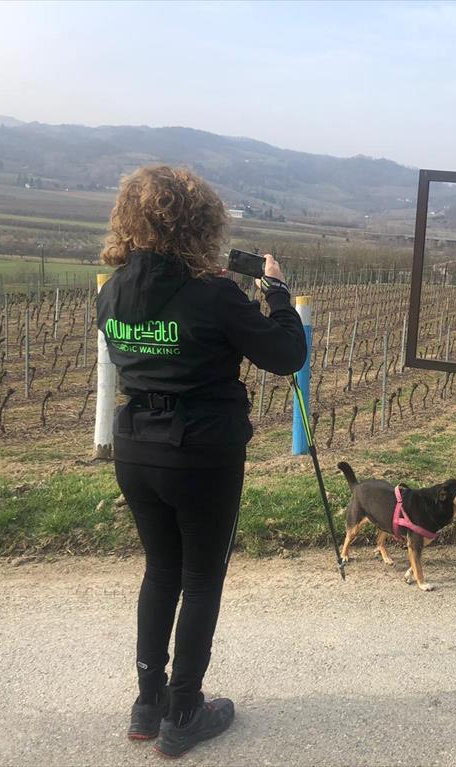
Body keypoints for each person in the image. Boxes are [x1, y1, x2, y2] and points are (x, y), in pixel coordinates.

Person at [96, 166, 307, 755]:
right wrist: (277, 294)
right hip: (201, 453)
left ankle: (148, 703)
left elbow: (143, 347)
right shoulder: (216, 295)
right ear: (201, 225)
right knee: (200, 578)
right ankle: (185, 710)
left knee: (160, 571)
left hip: (135, 448)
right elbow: (286, 354)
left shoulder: (112, 291)